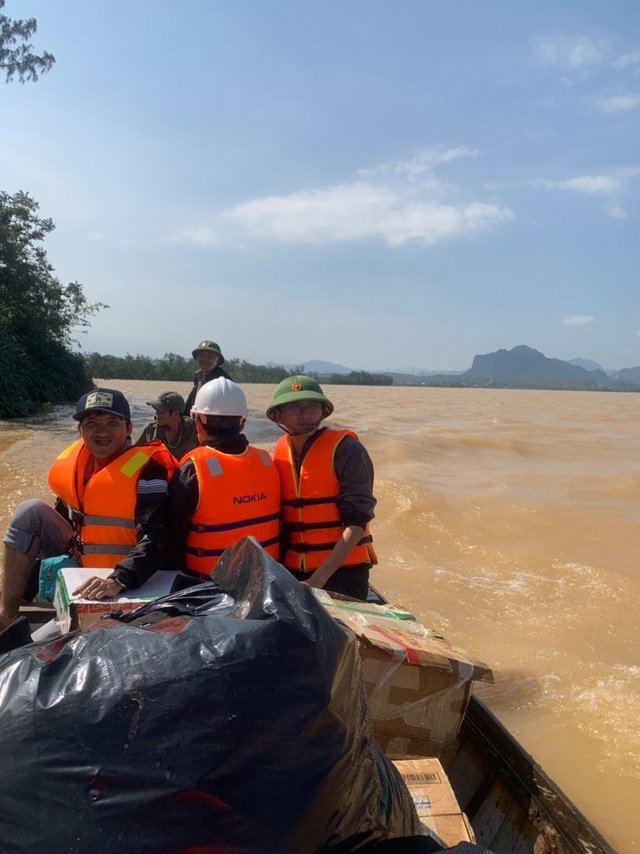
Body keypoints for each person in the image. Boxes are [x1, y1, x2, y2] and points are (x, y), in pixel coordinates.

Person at [0, 388, 177, 628]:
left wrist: (119, 579)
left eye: (112, 423)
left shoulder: (148, 471)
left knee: (47, 643)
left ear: (128, 428)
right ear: (79, 430)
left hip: (130, 576)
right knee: (29, 512)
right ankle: (6, 617)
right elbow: (66, 517)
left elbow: (159, 537)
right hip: (84, 565)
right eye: (92, 423)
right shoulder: (80, 463)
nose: (102, 432)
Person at [266, 375, 377, 601]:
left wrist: (317, 581)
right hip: (293, 569)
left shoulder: (348, 450)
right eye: (295, 407)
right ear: (278, 415)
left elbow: (357, 522)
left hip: (343, 572)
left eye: (313, 407)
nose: (305, 414)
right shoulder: (274, 455)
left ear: (323, 412)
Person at [169, 378, 280, 579]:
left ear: (198, 422)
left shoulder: (192, 467)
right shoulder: (269, 461)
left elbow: (172, 535)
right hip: (265, 583)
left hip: (208, 587)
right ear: (242, 422)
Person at [133, 390, 198, 460]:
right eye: (156, 409)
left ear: (175, 413)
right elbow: (134, 455)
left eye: (161, 410)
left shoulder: (194, 429)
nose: (156, 413)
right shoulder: (149, 430)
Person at [183, 339, 232, 416]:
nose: (205, 359)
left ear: (218, 360)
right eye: (201, 355)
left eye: (210, 356)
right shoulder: (199, 376)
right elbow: (190, 402)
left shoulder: (223, 382)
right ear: (197, 358)